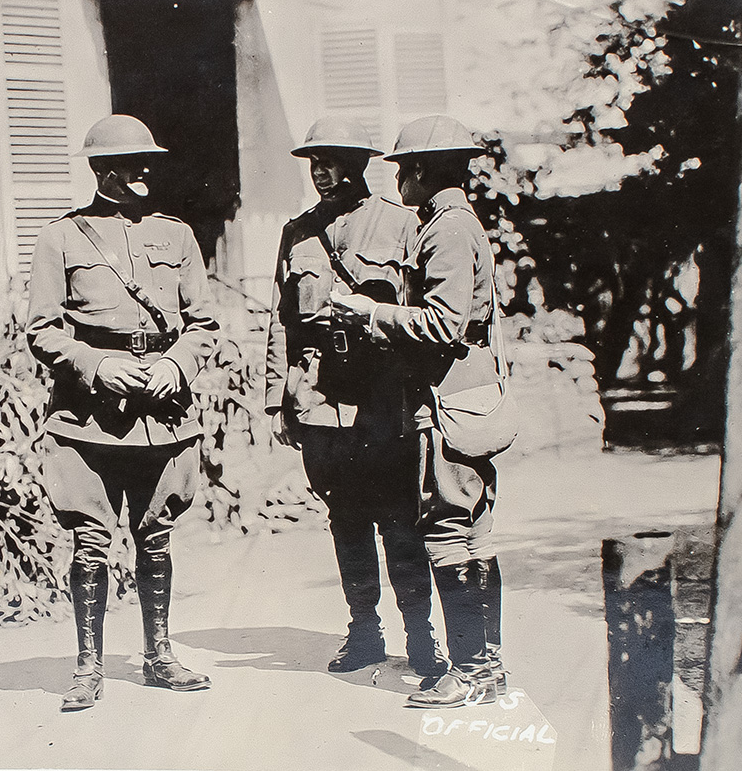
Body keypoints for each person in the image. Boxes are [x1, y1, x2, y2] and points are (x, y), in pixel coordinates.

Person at [26, 114, 219, 712]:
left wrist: (177, 366)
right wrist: (94, 365)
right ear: (101, 170)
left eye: (148, 161)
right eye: (131, 163)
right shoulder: (62, 238)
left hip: (161, 407)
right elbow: (41, 329)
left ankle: (159, 655)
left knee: (155, 535)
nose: (144, 172)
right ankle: (88, 667)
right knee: (90, 539)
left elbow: (204, 324)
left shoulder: (177, 235)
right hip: (90, 414)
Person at [332, 115, 507, 708]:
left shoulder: (446, 231)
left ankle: (471, 672)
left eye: (404, 169)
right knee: (473, 533)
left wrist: (367, 313)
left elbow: (442, 323)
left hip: (445, 404)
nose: (399, 180)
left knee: (451, 532)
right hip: (464, 398)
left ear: (423, 171)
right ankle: (486, 670)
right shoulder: (454, 224)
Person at [264, 117, 447, 679]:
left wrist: (423, 396)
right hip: (320, 396)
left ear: (359, 164)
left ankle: (421, 635)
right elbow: (281, 320)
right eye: (314, 162)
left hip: (383, 396)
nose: (321, 171)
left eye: (332, 160)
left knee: (400, 518)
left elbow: (427, 315)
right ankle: (364, 630)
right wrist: (278, 399)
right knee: (344, 517)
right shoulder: (298, 233)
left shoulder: (403, 226)